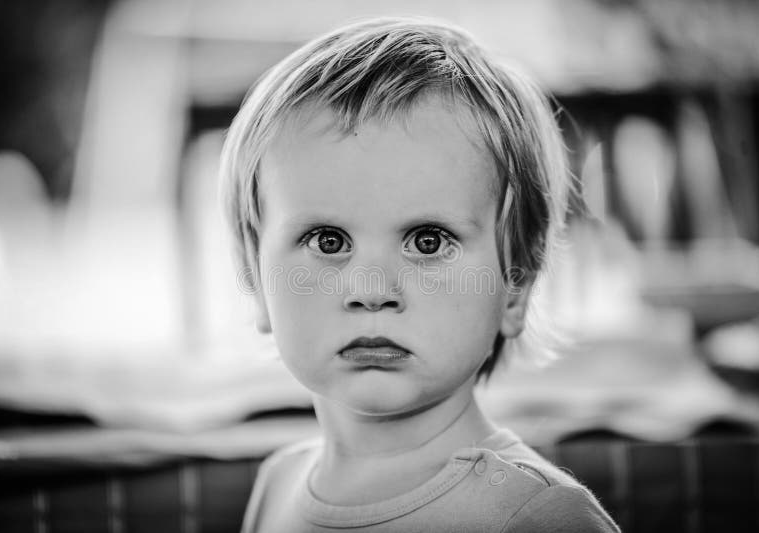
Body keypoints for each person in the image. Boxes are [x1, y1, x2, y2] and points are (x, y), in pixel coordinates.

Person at [220, 16, 620, 532]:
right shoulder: (277, 486)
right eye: (328, 241)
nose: (372, 292)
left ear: (515, 285)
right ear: (256, 279)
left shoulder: (540, 518)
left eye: (427, 242)